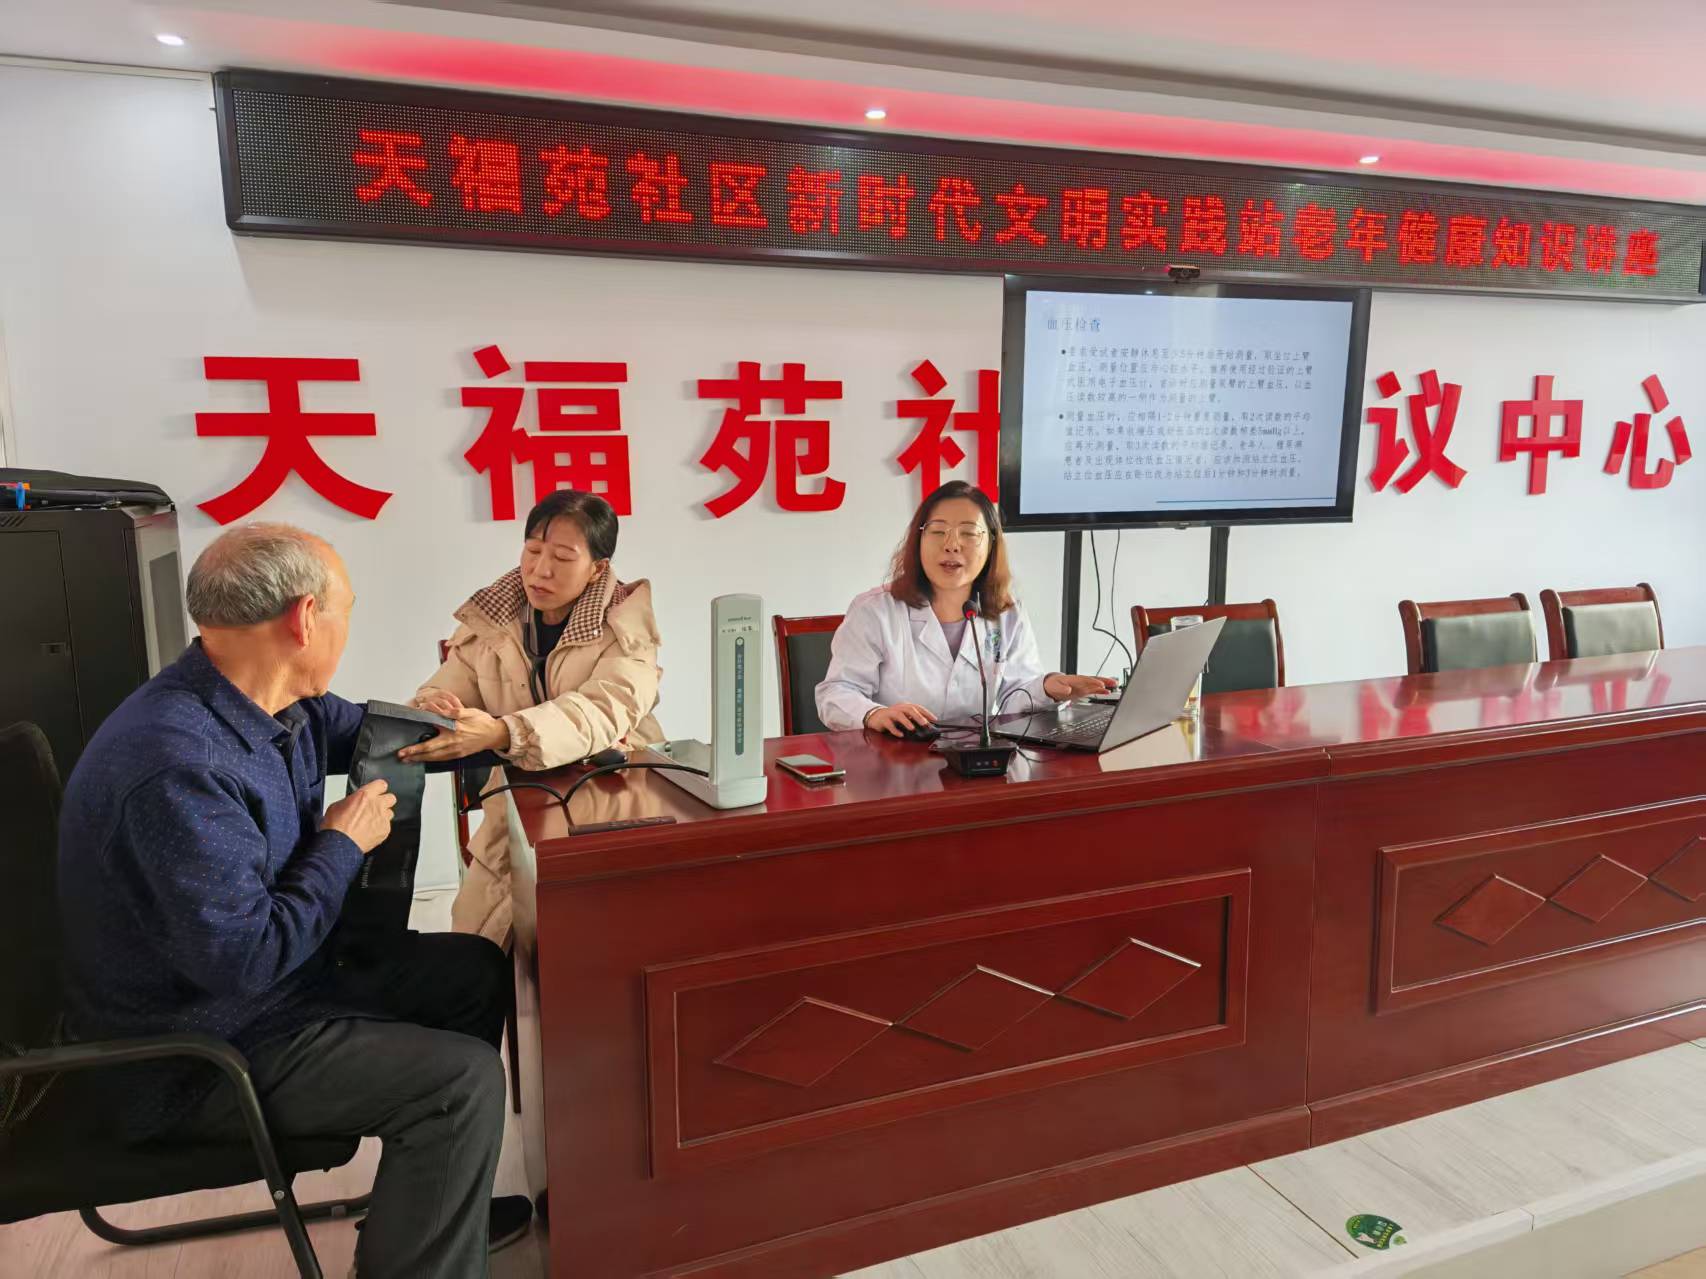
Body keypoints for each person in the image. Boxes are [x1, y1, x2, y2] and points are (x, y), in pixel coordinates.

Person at [57, 524, 531, 1279]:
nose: (347, 626)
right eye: (346, 609)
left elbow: (381, 735)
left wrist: (495, 732)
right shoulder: (178, 766)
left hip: (275, 990)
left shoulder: (271, 703)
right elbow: (246, 959)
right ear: (306, 618)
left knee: (472, 971)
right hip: (200, 1050)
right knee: (459, 1082)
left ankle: (428, 1210)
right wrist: (341, 843)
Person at [401, 489, 663, 943]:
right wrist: (434, 707)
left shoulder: (626, 625)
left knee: (589, 948)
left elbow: (603, 709)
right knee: (475, 943)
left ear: (597, 568)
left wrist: (504, 732)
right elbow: (446, 686)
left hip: (611, 809)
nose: (541, 570)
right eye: (533, 550)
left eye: (562, 557)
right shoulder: (494, 617)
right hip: (514, 811)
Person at [817, 480, 1115, 735]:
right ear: (919, 540)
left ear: (991, 543)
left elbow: (1014, 697)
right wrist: (874, 714)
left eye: (969, 533)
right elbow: (836, 692)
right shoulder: (875, 611)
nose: (952, 545)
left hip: (974, 762)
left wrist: (1047, 688)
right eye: (938, 531)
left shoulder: (1006, 612)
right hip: (894, 762)